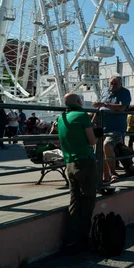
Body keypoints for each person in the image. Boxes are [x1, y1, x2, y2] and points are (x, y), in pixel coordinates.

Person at [57, 93, 97, 253]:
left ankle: (71, 239)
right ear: (79, 102)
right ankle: (83, 240)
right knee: (87, 202)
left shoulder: (62, 118)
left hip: (70, 164)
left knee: (75, 201)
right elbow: (92, 141)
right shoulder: (82, 115)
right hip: (85, 162)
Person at [92, 75, 134, 184]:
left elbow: (122, 107)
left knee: (107, 145)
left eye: (115, 84)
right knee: (100, 150)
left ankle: (112, 173)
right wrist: (92, 122)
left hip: (116, 128)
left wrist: (104, 104)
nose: (113, 86)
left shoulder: (125, 92)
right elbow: (99, 109)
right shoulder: (105, 91)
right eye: (111, 83)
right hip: (102, 127)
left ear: (121, 84)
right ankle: (106, 174)